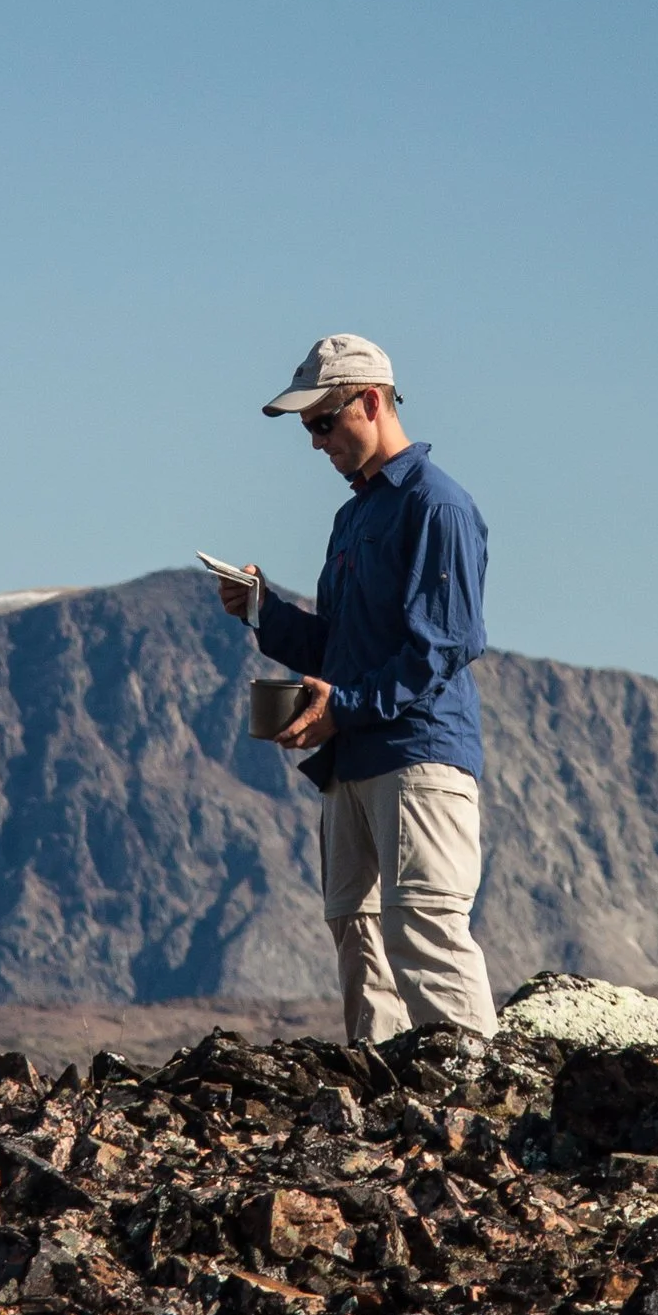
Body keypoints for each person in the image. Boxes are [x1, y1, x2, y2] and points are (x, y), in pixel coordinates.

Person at [215, 332, 497, 1049]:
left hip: (415, 757)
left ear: (370, 401)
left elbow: (445, 645)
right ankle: (389, 1106)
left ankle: (478, 1107)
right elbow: (338, 647)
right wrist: (261, 610)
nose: (314, 442)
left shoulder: (438, 507)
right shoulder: (354, 517)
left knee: (423, 933)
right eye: (307, 427)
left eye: (321, 422)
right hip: (352, 764)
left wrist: (341, 707)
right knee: (358, 935)